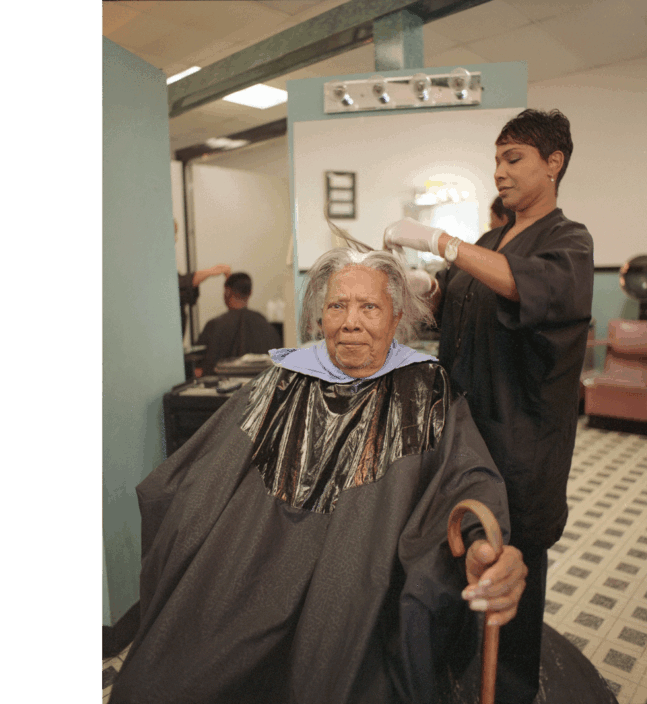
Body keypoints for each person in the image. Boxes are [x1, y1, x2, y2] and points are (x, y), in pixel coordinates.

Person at [109, 248, 527, 704]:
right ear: (319, 316)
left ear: (396, 317)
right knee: (160, 681)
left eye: (369, 307)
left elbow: (467, 478)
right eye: (336, 306)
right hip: (252, 566)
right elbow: (199, 471)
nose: (351, 322)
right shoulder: (284, 379)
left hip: (359, 577)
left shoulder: (424, 389)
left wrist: (480, 543)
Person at [384, 108, 595, 704]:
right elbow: (457, 296)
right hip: (463, 444)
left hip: (521, 451)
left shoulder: (569, 242)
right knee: (457, 573)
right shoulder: (488, 242)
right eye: (496, 159)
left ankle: (514, 691)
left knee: (511, 597)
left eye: (514, 159)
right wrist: (422, 283)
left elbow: (525, 285)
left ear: (554, 163)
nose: (499, 171)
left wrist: (439, 241)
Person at [194, 272, 282, 376]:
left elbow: (198, 370)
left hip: (221, 390)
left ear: (226, 292)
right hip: (259, 389)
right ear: (250, 293)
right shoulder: (267, 326)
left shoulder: (213, 326)